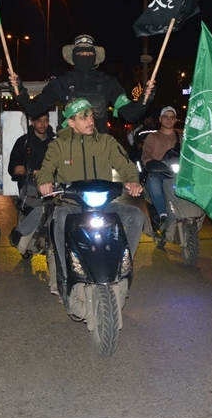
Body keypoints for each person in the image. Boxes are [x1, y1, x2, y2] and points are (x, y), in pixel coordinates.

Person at [37, 98, 146, 297]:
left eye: (91, 115)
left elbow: (126, 165)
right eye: (83, 116)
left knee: (136, 216)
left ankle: (122, 267)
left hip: (103, 205)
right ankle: (64, 274)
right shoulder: (58, 145)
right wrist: (44, 183)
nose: (90, 121)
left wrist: (132, 181)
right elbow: (46, 170)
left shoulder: (106, 142)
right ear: (71, 122)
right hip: (72, 205)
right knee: (58, 219)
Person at [9, 34, 154, 135]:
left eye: (89, 54)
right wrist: (18, 90)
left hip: (100, 149)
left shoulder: (108, 82)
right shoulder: (61, 83)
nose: (85, 57)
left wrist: (145, 98)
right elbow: (33, 109)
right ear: (73, 57)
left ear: (95, 57)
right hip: (69, 150)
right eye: (80, 53)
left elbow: (130, 114)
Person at [7, 112, 56, 255]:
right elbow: (13, 164)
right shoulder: (23, 142)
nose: (43, 124)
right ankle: (20, 232)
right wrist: (18, 168)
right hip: (29, 184)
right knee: (43, 206)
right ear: (32, 123)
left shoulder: (55, 143)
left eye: (46, 120)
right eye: (39, 120)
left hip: (53, 184)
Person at [141, 106, 181, 235]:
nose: (169, 120)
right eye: (165, 117)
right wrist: (149, 162)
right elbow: (146, 152)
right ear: (160, 119)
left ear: (175, 120)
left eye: (171, 117)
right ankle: (163, 215)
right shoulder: (153, 137)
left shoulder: (182, 136)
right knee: (153, 180)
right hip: (161, 172)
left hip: (180, 173)